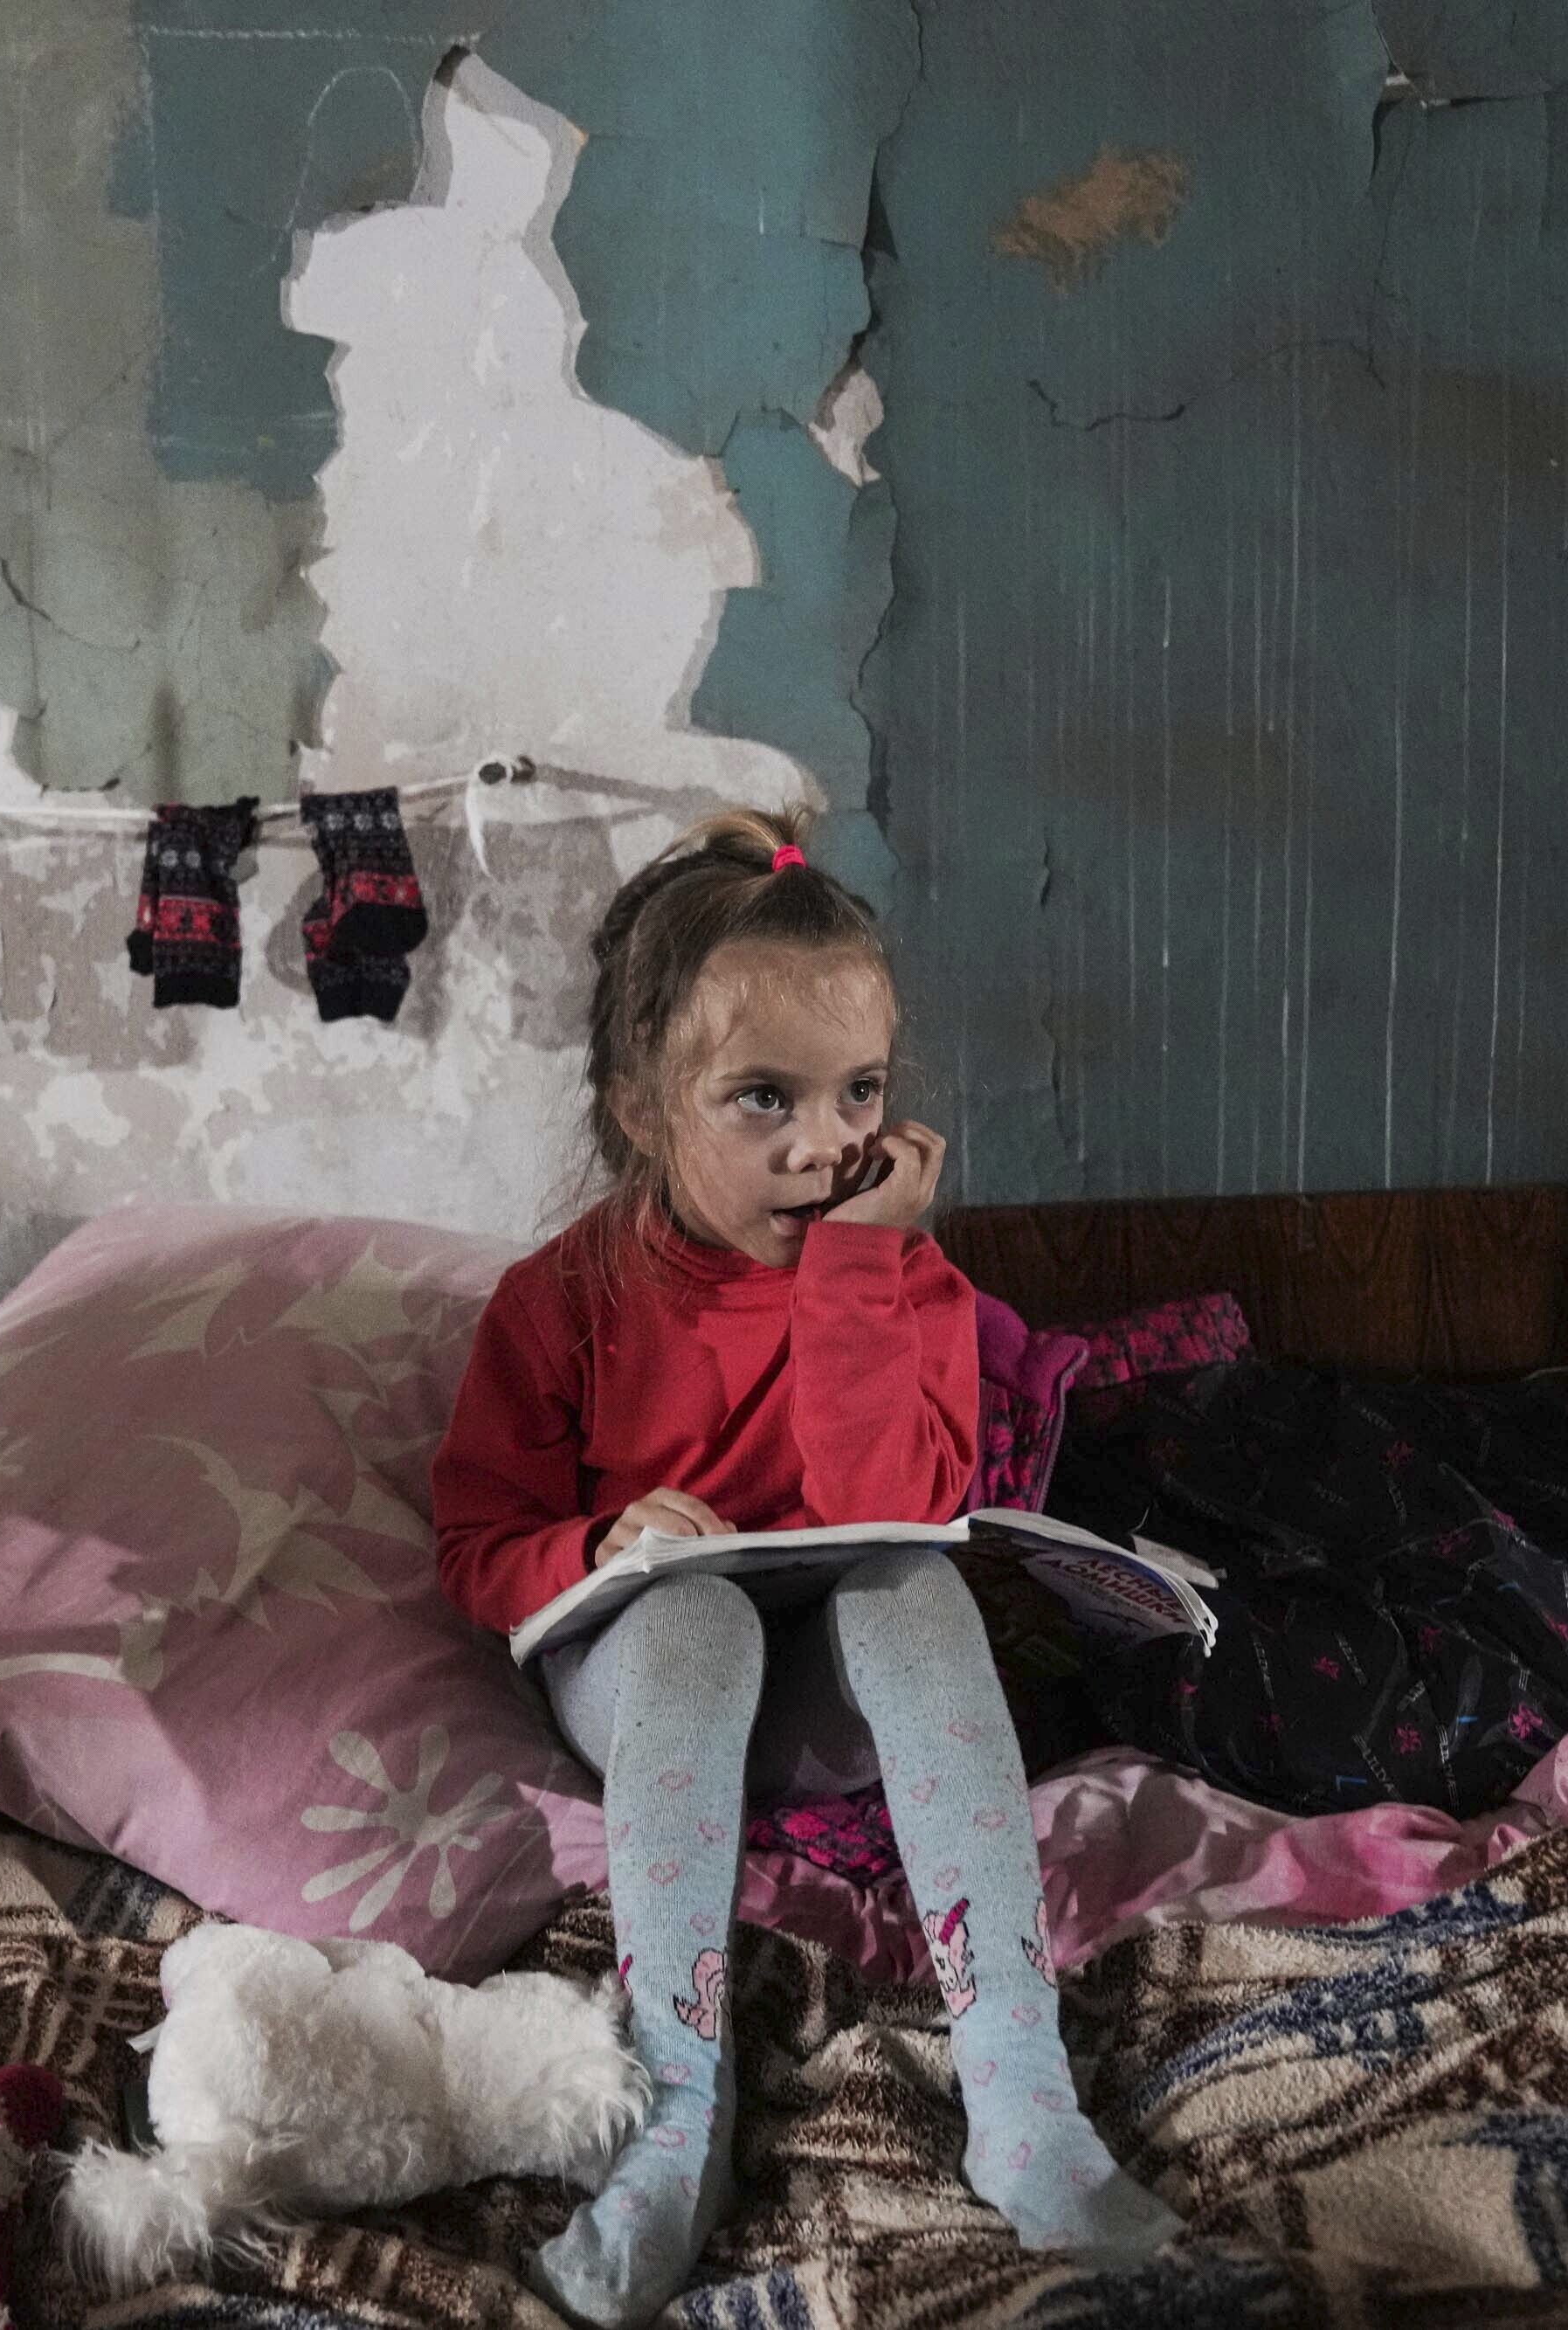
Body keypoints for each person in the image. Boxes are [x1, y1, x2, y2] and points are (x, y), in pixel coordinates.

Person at [432, 807, 1180, 2327]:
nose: (824, 1144)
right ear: (643, 1106)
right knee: (697, 1607)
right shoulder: (559, 1300)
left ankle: (1023, 2095)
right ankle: (672, 2118)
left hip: (829, 1691)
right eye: (762, 1098)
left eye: (858, 1094)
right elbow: (478, 1546)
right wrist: (605, 1541)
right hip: (659, 1678)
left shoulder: (904, 1281)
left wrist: (861, 1274)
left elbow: (891, 1499)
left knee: (909, 1587)